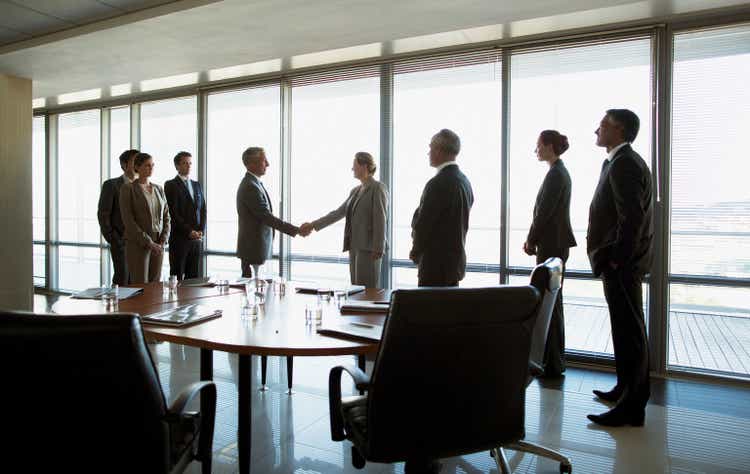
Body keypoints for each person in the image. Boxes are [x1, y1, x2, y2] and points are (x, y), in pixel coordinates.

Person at [587, 109, 653, 427]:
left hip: (621, 265)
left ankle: (632, 407)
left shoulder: (625, 162)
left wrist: (617, 259)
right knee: (624, 330)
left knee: (631, 333)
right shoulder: (616, 161)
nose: (597, 129)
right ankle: (624, 389)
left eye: (603, 125)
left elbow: (632, 217)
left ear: (620, 130)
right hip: (618, 263)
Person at [523, 130, 577, 377]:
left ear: (548, 146)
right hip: (555, 243)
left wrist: (530, 239)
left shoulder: (556, 175)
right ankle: (554, 361)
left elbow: (543, 213)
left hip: (551, 244)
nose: (536, 150)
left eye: (538, 146)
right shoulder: (558, 172)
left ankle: (553, 363)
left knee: (550, 304)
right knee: (554, 303)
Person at [300, 152, 388, 288]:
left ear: (364, 166)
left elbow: (380, 219)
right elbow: (338, 213)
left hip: (370, 248)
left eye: (354, 165)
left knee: (367, 290)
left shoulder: (377, 188)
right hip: (354, 246)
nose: (352, 169)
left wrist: (379, 247)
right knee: (357, 289)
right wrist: (313, 225)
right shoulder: (355, 191)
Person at [410, 129, 474, 287]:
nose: (428, 153)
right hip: (454, 265)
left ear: (439, 151)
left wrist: (415, 252)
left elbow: (423, 224)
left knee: (431, 311)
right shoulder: (465, 182)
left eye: (431, 148)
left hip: (435, 265)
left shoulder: (437, 183)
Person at [237, 147, 304, 278]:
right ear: (251, 164)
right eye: (264, 160)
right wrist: (296, 230)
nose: (267, 164)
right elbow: (266, 217)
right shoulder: (250, 186)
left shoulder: (254, 183)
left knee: (259, 290)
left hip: (256, 249)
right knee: (254, 290)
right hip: (253, 250)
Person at [119, 152, 171, 283]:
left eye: (152, 165)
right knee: (140, 284)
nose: (151, 168)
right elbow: (128, 220)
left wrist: (163, 240)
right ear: (137, 167)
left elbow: (167, 216)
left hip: (158, 241)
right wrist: (148, 242)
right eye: (147, 165)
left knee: (155, 283)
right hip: (138, 242)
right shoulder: (128, 189)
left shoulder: (159, 189)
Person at [97, 149, 138, 286]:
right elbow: (103, 215)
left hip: (142, 243)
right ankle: (119, 308)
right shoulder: (111, 185)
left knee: (139, 282)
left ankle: (136, 308)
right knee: (123, 279)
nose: (138, 165)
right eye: (134, 162)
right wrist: (114, 239)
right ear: (124, 165)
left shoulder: (145, 186)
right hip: (121, 242)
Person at [164, 151, 206, 280]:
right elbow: (173, 213)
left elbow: (203, 210)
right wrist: (189, 231)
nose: (188, 166)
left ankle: (192, 301)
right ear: (177, 166)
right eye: (184, 163)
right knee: (177, 277)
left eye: (190, 163)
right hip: (180, 239)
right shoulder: (171, 185)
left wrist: (201, 231)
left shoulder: (196, 185)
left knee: (194, 278)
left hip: (196, 240)